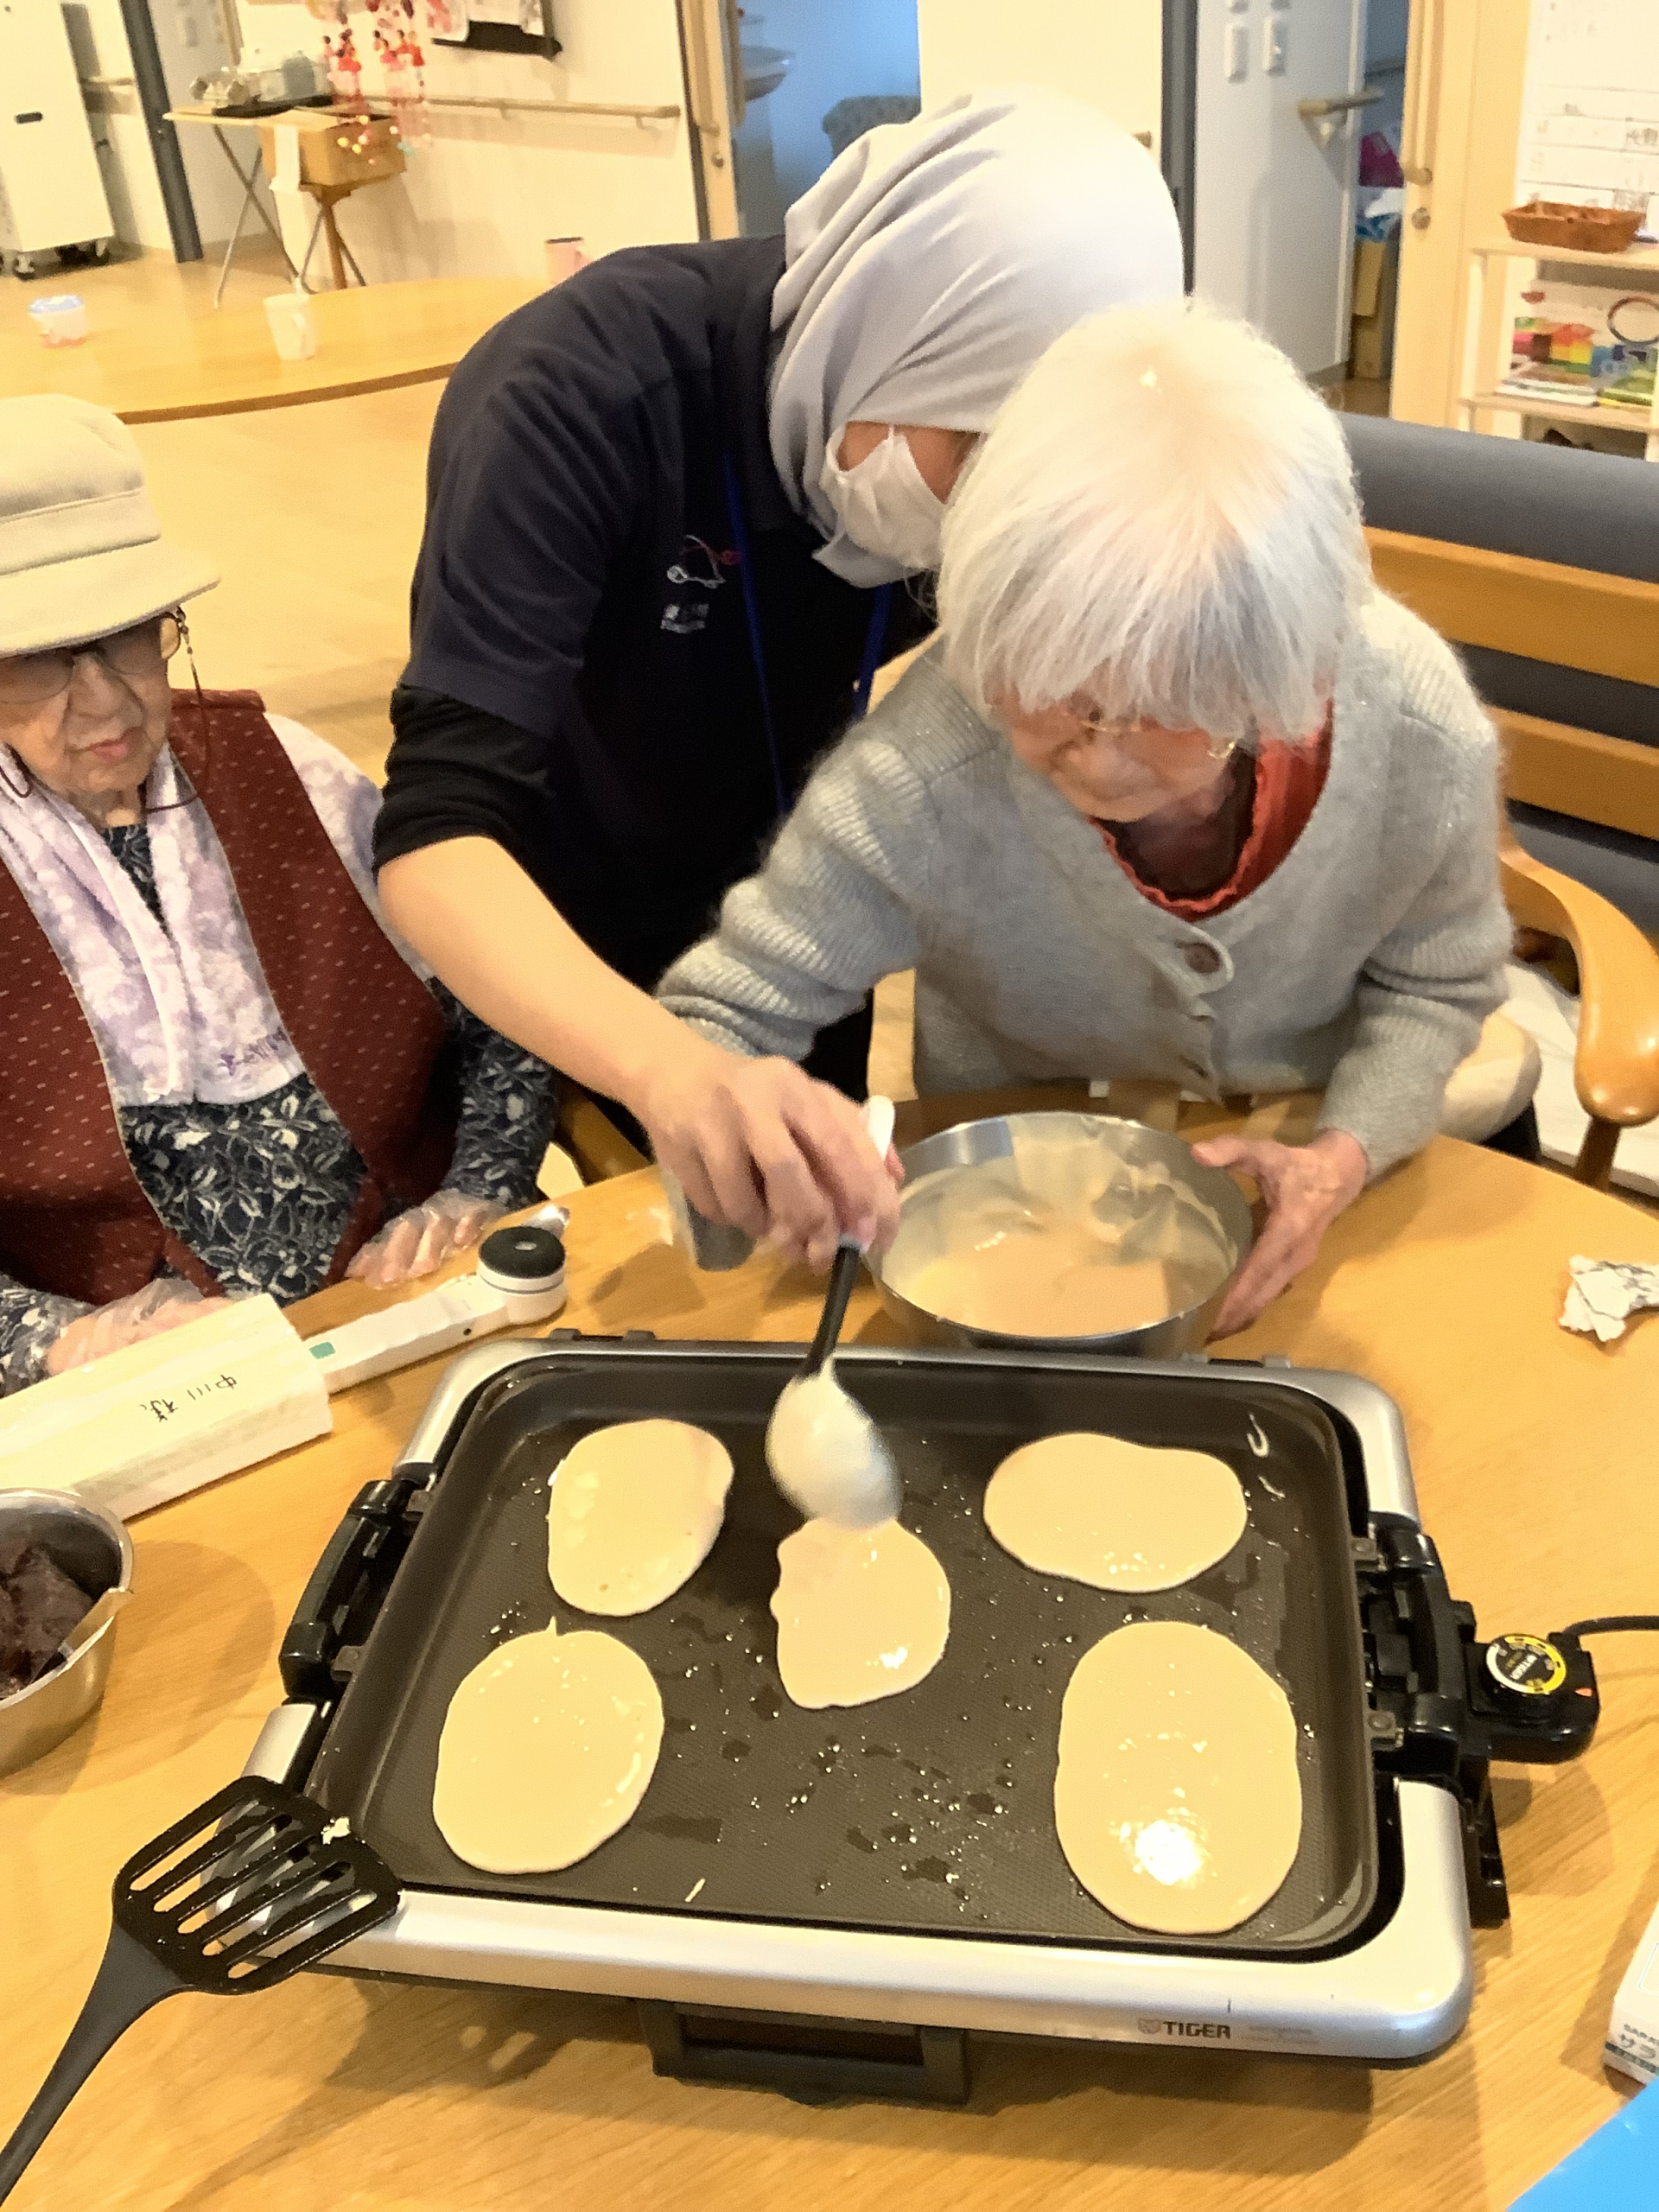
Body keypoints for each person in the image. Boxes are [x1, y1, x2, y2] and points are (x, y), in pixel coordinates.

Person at [372, 86, 1184, 1264]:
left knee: (817, 1245)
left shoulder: (957, 465)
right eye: (974, 457)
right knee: (689, 1252)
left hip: (810, 899)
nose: (986, 531)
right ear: (889, 337)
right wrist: (673, 1071)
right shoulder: (574, 397)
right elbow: (437, 838)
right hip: (584, 923)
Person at [654, 301, 1515, 1330]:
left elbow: (1436, 982)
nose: (1097, 758)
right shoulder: (927, 769)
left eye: (1166, 710)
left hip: (1301, 1177)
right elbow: (723, 1019)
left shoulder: (1415, 728)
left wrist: (1341, 1156)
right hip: (1008, 1215)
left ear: (1281, 679)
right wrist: (747, 1137)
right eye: (1045, 691)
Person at [0, 397, 556, 1393]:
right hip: (144, 1388)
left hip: (407, 1303)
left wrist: (478, 1184)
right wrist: (60, 1338)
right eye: (43, 658)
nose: (108, 701)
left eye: (129, 637)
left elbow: (502, 1003)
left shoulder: (287, 766)